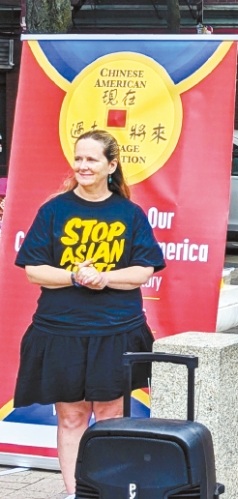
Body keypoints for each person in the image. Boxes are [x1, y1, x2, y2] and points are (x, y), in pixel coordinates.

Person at [13, 130, 165, 497]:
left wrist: (104, 277)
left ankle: (109, 491)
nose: (82, 165)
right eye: (78, 158)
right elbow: (34, 270)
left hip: (117, 331)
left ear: (111, 165)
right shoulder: (54, 210)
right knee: (71, 416)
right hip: (60, 331)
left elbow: (144, 270)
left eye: (92, 159)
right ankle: (76, 492)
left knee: (111, 415)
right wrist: (75, 276)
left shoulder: (129, 213)